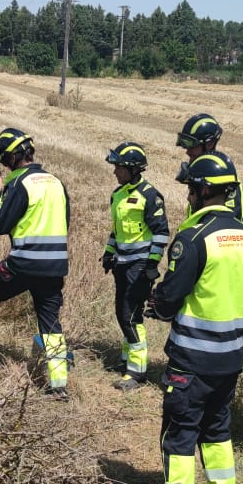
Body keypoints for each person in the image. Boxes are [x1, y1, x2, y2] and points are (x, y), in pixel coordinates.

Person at [142, 152, 243, 484]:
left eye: (191, 187)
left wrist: (155, 303)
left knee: (179, 439)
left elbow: (170, 298)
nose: (189, 195)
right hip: (230, 359)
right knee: (217, 433)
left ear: (204, 189)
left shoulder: (194, 238)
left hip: (191, 362)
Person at [0, 127, 72, 397]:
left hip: (24, 264)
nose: (4, 166)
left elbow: (0, 225)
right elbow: (65, 221)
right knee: (49, 321)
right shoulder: (56, 182)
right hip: (55, 266)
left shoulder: (19, 183)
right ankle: (58, 384)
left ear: (11, 159)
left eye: (4, 161)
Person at [101, 142, 170, 390]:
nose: (114, 172)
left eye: (118, 167)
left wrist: (152, 263)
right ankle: (127, 358)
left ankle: (137, 372)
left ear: (132, 169)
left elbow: (161, 232)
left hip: (139, 266)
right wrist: (108, 254)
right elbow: (116, 231)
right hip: (121, 264)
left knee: (130, 315)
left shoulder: (150, 196)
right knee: (122, 311)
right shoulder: (117, 195)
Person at [174, 113, 243, 226]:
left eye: (192, 146)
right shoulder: (199, 172)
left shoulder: (223, 178)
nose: (187, 151)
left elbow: (228, 223)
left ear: (209, 144)